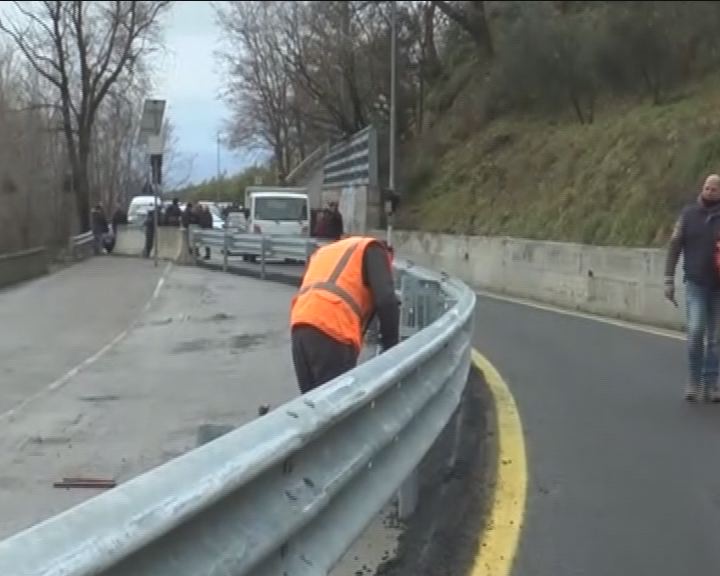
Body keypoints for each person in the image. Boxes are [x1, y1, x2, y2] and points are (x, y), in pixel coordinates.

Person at [290, 236, 399, 393]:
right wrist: (391, 349)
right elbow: (386, 300)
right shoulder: (373, 249)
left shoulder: (329, 251)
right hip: (332, 327)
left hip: (300, 324)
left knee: (311, 404)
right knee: (334, 403)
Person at [665, 173, 720, 403]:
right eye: (707, 187)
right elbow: (675, 245)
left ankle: (712, 384)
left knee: (716, 338)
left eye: (714, 189)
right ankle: (693, 381)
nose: (709, 191)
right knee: (696, 331)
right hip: (696, 283)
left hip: (718, 286)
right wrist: (668, 278)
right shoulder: (688, 215)